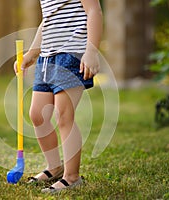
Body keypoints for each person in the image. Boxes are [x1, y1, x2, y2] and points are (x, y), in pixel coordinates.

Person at [14, 0, 103, 193]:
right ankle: (54, 166)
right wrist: (33, 52)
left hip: (71, 53)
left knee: (63, 115)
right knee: (37, 115)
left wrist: (91, 51)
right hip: (47, 57)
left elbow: (94, 11)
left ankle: (72, 177)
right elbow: (47, 20)